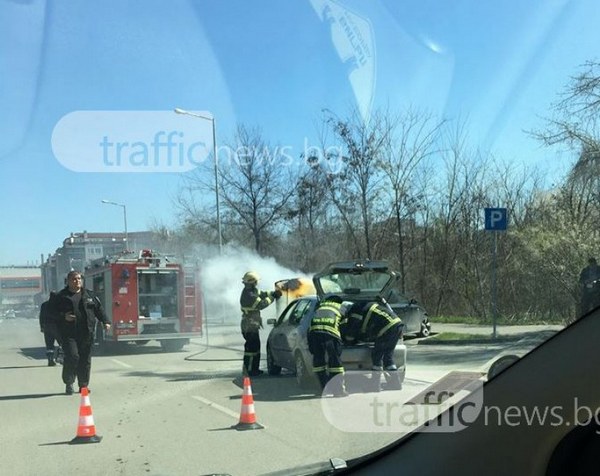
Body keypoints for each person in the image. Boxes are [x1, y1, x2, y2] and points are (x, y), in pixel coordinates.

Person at [51, 271, 111, 395]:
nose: (77, 281)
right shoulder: (60, 297)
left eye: (79, 279)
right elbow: (50, 314)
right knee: (73, 357)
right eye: (74, 279)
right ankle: (69, 382)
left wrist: (105, 321)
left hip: (86, 333)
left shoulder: (89, 295)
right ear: (68, 281)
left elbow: (99, 310)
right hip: (68, 334)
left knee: (85, 359)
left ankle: (83, 385)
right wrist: (63, 316)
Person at [343, 298, 403, 392]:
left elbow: (353, 329)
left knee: (377, 356)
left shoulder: (356, 309)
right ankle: (395, 384)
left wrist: (348, 340)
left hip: (387, 328)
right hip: (397, 325)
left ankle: (375, 385)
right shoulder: (364, 305)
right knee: (388, 357)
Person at [240, 271, 281, 376]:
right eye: (256, 281)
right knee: (251, 348)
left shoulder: (251, 291)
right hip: (249, 324)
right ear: (252, 282)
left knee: (255, 347)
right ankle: (249, 370)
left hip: (252, 324)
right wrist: (273, 297)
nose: (257, 283)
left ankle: (254, 369)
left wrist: (273, 292)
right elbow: (262, 304)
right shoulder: (249, 295)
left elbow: (262, 294)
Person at [307, 294, 348, 397]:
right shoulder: (341, 307)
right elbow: (344, 327)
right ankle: (338, 391)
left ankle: (322, 389)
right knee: (335, 362)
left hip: (315, 332)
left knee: (318, 360)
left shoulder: (320, 306)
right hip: (331, 333)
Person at [39, 291, 62, 366]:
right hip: (57, 327)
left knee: (49, 345)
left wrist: (42, 326)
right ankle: (60, 358)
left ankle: (50, 360)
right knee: (62, 343)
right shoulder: (59, 305)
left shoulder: (44, 305)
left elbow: (41, 317)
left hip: (47, 327)